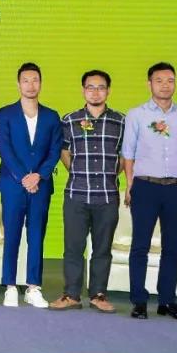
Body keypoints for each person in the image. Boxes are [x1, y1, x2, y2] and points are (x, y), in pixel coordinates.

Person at [122, 62, 177, 321]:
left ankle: (167, 300)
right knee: (140, 246)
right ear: (149, 84)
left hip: (175, 188)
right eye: (159, 80)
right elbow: (128, 153)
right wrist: (129, 185)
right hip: (145, 186)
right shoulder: (137, 115)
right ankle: (139, 301)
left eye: (170, 80)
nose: (165, 85)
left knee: (172, 247)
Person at [50, 70, 125, 313]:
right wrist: (77, 170)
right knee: (73, 248)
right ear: (83, 90)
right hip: (77, 194)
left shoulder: (121, 121)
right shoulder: (69, 120)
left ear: (108, 91)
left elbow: (125, 155)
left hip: (107, 196)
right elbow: (63, 151)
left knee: (102, 249)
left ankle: (98, 295)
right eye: (90, 87)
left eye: (101, 87)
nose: (95, 92)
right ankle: (71, 294)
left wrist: (111, 174)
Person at [0, 62, 62, 309]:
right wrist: (24, 177)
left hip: (40, 186)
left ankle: (33, 287)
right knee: (11, 235)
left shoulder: (52, 116)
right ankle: (10, 286)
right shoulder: (5, 114)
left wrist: (39, 176)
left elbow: (55, 151)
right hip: (13, 185)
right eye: (26, 80)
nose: (31, 85)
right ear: (18, 84)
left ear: (41, 83)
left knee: (36, 236)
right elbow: (4, 148)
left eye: (35, 80)